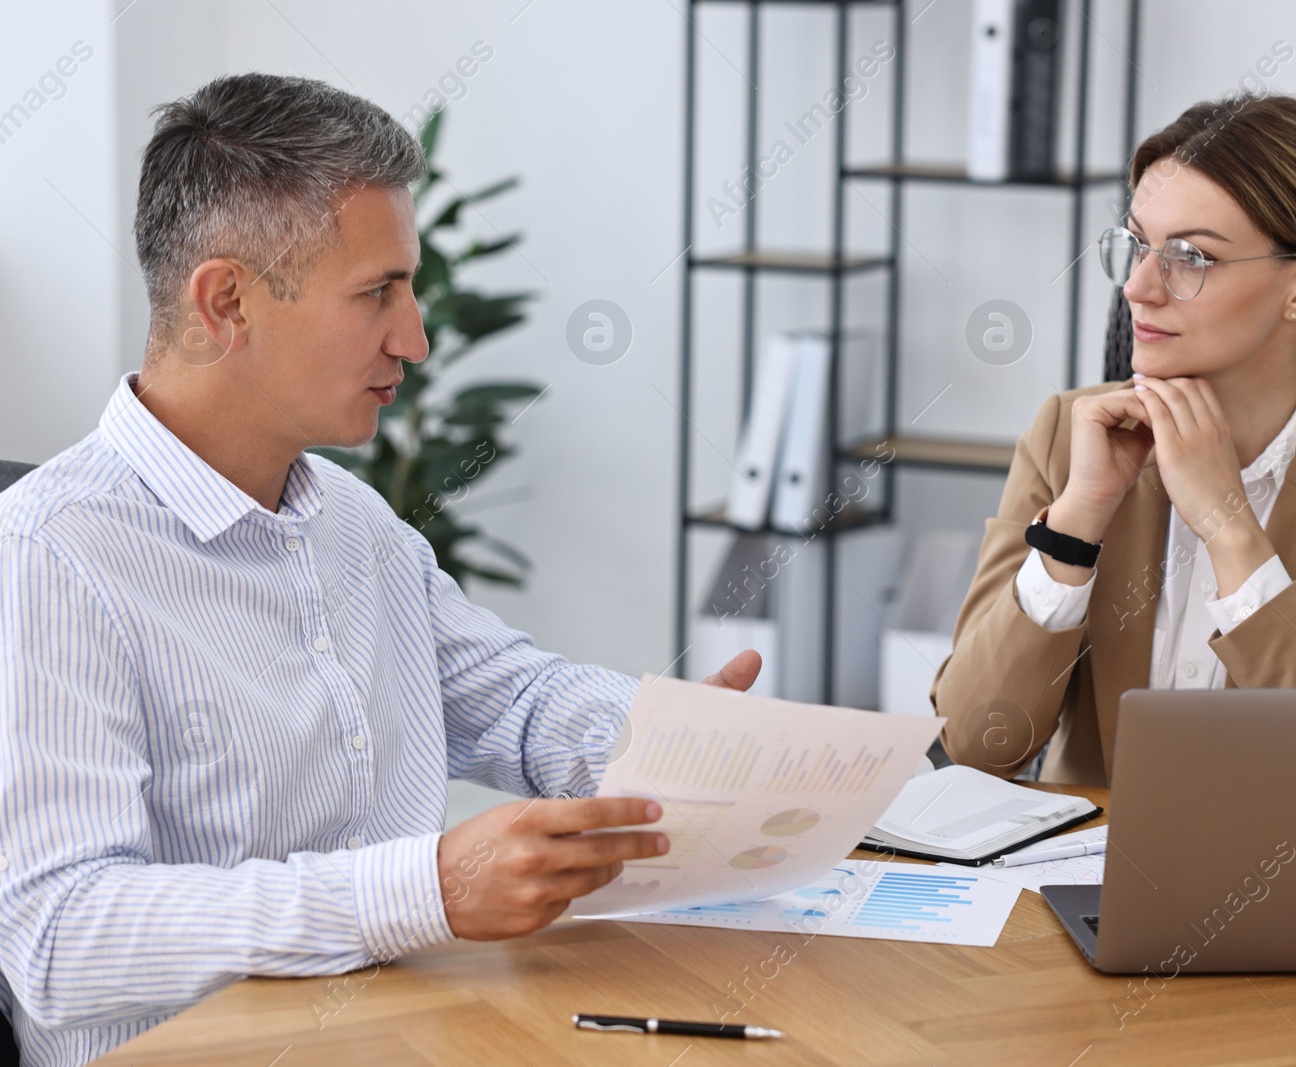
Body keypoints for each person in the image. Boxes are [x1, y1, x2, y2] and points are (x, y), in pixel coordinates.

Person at [0, 73, 759, 1067]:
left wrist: (683, 746)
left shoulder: (349, 520)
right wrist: (424, 889)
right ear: (225, 301)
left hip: (401, 1029)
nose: (417, 339)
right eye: (377, 293)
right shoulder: (48, 556)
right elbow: (60, 939)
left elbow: (513, 701)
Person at [933, 93, 1296, 786]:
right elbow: (974, 745)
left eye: (1190, 256)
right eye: (1135, 245)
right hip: (1078, 881)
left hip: (1293, 884)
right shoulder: (1070, 437)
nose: (1137, 286)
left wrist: (1229, 526)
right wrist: (1077, 524)